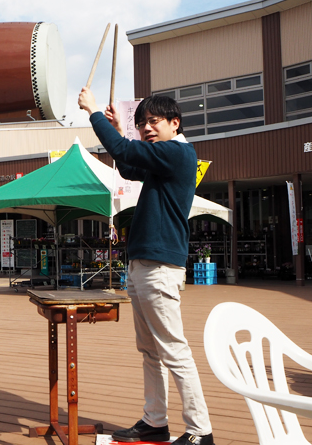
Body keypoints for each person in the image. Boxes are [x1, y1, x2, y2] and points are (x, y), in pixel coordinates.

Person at [79, 87, 213, 445]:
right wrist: (119, 126)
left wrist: (94, 113)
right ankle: (155, 422)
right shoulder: (161, 158)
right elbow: (125, 163)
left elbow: (124, 150)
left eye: (153, 122)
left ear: (175, 123)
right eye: (142, 125)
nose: (147, 129)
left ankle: (201, 431)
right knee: (151, 350)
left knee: (173, 349)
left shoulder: (179, 153)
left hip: (159, 266)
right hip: (142, 265)